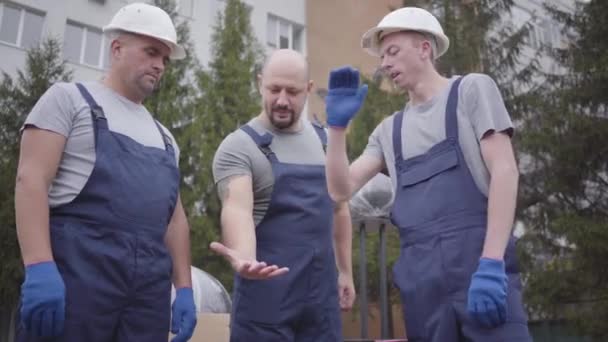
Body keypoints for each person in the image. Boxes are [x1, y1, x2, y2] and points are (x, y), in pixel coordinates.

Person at [323, 7, 532, 342]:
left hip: (480, 272)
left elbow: (505, 172)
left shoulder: (471, 92)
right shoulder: (388, 131)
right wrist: (336, 130)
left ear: (424, 49)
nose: (385, 64)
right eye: (381, 57)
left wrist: (491, 263)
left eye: (393, 52)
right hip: (422, 290)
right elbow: (338, 191)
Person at [14, 3, 197, 341]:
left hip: (147, 297)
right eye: (152, 52)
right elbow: (32, 180)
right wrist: (39, 265)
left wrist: (184, 288)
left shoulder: (165, 138)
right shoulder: (69, 100)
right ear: (117, 48)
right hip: (77, 280)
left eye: (165, 59)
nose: (159, 65)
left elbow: (175, 220)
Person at [210, 49, 355, 342]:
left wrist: (345, 271)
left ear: (309, 90)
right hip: (264, 304)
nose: (282, 100)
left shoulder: (327, 142)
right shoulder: (239, 146)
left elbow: (340, 211)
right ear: (259, 83)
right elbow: (237, 209)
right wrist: (245, 258)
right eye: (274, 89)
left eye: (293, 91)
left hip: (320, 307)